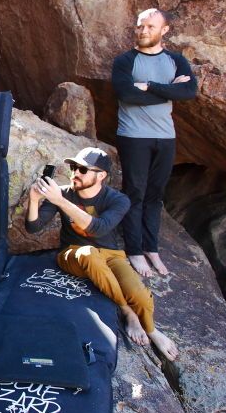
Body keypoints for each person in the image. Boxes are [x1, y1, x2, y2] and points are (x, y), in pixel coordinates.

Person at [26, 147, 179, 361]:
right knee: (89, 254)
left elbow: (98, 228)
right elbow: (33, 228)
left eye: (82, 169)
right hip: (73, 253)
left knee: (139, 294)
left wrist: (61, 201)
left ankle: (151, 329)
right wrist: (34, 200)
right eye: (73, 167)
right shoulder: (61, 193)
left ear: (101, 175)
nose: (75, 173)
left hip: (111, 254)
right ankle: (127, 312)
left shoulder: (118, 200)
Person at [111, 8, 197, 277]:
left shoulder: (175, 60)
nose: (144, 31)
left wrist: (148, 85)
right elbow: (127, 95)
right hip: (134, 136)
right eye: (140, 26)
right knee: (135, 192)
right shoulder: (125, 61)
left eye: (150, 26)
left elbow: (189, 91)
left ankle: (151, 248)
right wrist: (169, 90)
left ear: (164, 30)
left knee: (155, 195)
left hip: (166, 137)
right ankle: (135, 251)